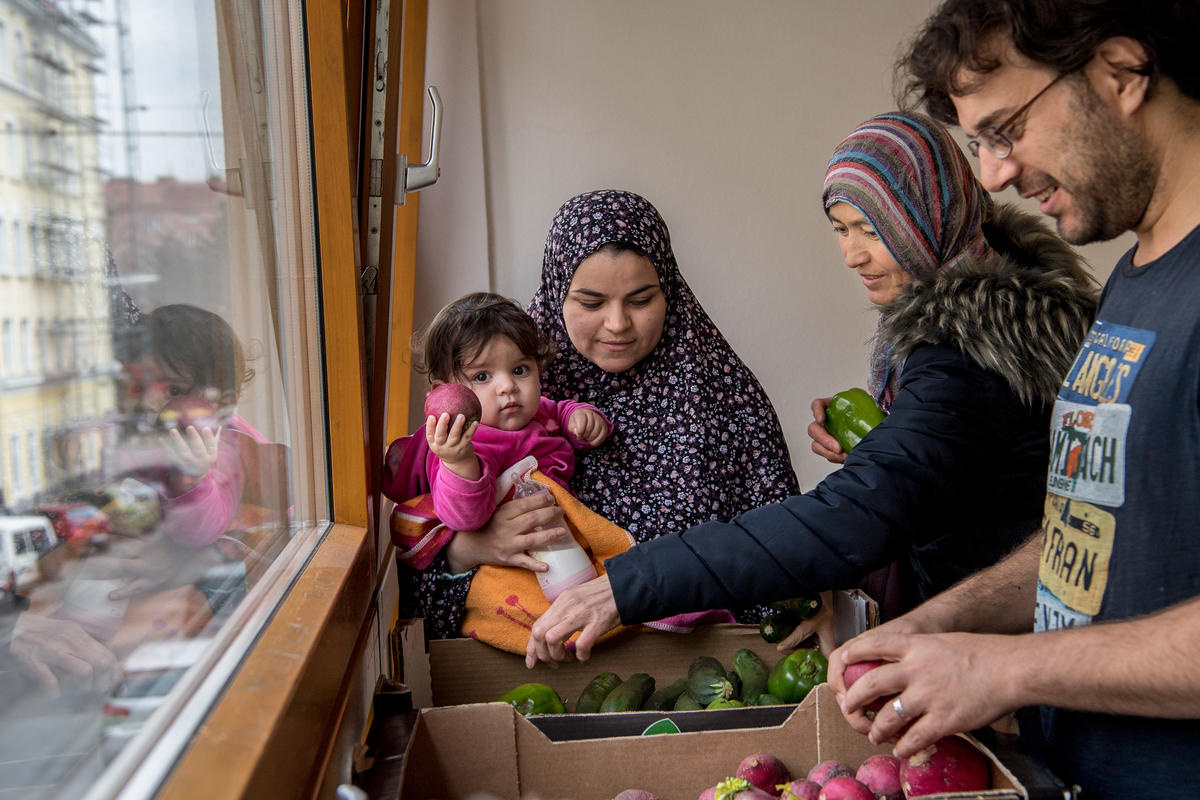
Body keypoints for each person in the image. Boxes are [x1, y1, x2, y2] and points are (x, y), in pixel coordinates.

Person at [524, 113, 1097, 668]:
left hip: (999, 644)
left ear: (932, 215)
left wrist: (627, 585)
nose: (852, 255)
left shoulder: (965, 354)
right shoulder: (994, 316)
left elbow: (857, 514)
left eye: (872, 229)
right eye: (842, 229)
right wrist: (890, 434)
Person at [825, 3, 1200, 799]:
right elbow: (1096, 538)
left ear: (1121, 72)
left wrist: (1005, 667)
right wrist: (949, 619)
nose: (994, 175)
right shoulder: (1135, 277)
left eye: (1006, 130)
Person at [391, 189, 801, 639]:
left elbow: (781, 553)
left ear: (672, 293)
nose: (618, 324)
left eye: (642, 300)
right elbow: (417, 604)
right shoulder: (504, 393)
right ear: (556, 294)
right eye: (590, 303)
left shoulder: (728, 400)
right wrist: (467, 550)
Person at [405, 292, 611, 533]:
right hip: (509, 555)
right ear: (446, 392)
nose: (508, 386)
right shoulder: (462, 446)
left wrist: (580, 418)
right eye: (482, 376)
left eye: (519, 369)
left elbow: (559, 411)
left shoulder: (540, 413)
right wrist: (459, 464)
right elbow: (463, 520)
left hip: (563, 534)